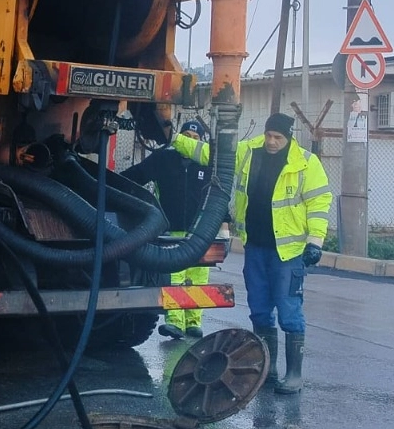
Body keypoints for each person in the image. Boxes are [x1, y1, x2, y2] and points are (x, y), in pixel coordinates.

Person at [174, 113, 332, 394]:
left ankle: (294, 375)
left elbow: (319, 203)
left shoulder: (306, 163)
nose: (271, 141)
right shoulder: (249, 151)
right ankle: (267, 370)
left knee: (289, 312)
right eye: (269, 135)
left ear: (289, 137)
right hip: (256, 247)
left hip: (287, 253)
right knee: (260, 311)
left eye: (278, 137)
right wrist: (174, 138)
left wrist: (315, 242)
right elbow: (210, 154)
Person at [122, 119, 220, 340]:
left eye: (195, 138)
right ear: (179, 138)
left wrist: (223, 222)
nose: (190, 142)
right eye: (186, 137)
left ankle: (193, 323)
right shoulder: (163, 159)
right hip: (170, 230)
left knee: (197, 278)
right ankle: (174, 322)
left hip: (200, 232)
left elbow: (218, 195)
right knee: (174, 276)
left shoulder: (208, 164)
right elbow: (135, 176)